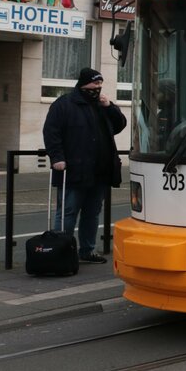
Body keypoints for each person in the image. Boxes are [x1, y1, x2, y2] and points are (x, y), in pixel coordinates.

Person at [43, 67, 127, 264]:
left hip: (99, 171)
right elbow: (51, 132)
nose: (97, 87)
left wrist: (110, 107)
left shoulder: (101, 106)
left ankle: (87, 250)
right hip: (74, 170)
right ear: (84, 84)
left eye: (100, 84)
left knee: (92, 212)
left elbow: (119, 125)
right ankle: (62, 251)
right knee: (68, 212)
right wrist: (57, 158)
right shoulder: (64, 104)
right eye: (94, 83)